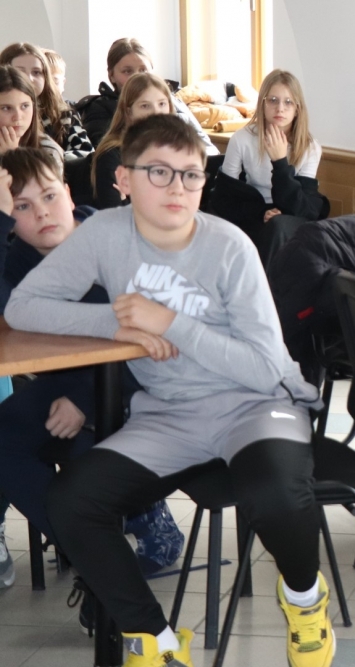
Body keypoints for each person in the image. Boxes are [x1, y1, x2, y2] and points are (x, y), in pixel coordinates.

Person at [6, 115, 333, 666]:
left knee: (273, 493)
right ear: (124, 180)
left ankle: (305, 600)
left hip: (256, 405)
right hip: (169, 414)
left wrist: (169, 323)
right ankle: (153, 640)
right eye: (159, 172)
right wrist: (119, 325)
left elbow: (262, 368)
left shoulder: (229, 247)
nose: (178, 188)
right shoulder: (106, 234)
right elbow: (23, 308)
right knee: (72, 501)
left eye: (191, 175)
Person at [0, 147, 183, 598]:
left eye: (49, 197)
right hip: (74, 383)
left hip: (151, 384)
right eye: (21, 207)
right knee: (4, 437)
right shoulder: (23, 256)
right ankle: (98, 562)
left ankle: (136, 531)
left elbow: (156, 346)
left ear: (68, 193)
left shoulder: (118, 243)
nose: (42, 213)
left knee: (86, 453)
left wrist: (82, 399)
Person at [213, 69, 326, 268]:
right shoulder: (242, 139)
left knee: (279, 226)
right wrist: (262, 212)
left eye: (288, 102)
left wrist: (280, 162)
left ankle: (268, 286)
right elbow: (223, 198)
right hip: (251, 213)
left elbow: (305, 208)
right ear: (262, 104)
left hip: (290, 216)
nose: (280, 108)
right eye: (273, 100)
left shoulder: (310, 147)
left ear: (297, 108)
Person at [75, 37, 218, 155]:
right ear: (112, 75)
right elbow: (110, 154)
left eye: (143, 70)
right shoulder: (98, 108)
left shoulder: (173, 101)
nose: (137, 77)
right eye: (127, 71)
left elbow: (209, 148)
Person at [90, 73, 174, 209]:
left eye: (162, 104)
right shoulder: (112, 155)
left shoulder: (176, 150)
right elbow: (115, 214)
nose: (156, 112)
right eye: (145, 106)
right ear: (129, 112)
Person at [0, 42, 93, 159]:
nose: (30, 78)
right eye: (20, 72)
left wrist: (50, 158)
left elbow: (86, 153)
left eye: (36, 72)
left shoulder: (63, 112)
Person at [0, 65, 62, 162]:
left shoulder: (47, 151)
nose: (18, 117)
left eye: (25, 106)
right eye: (6, 108)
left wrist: (12, 157)